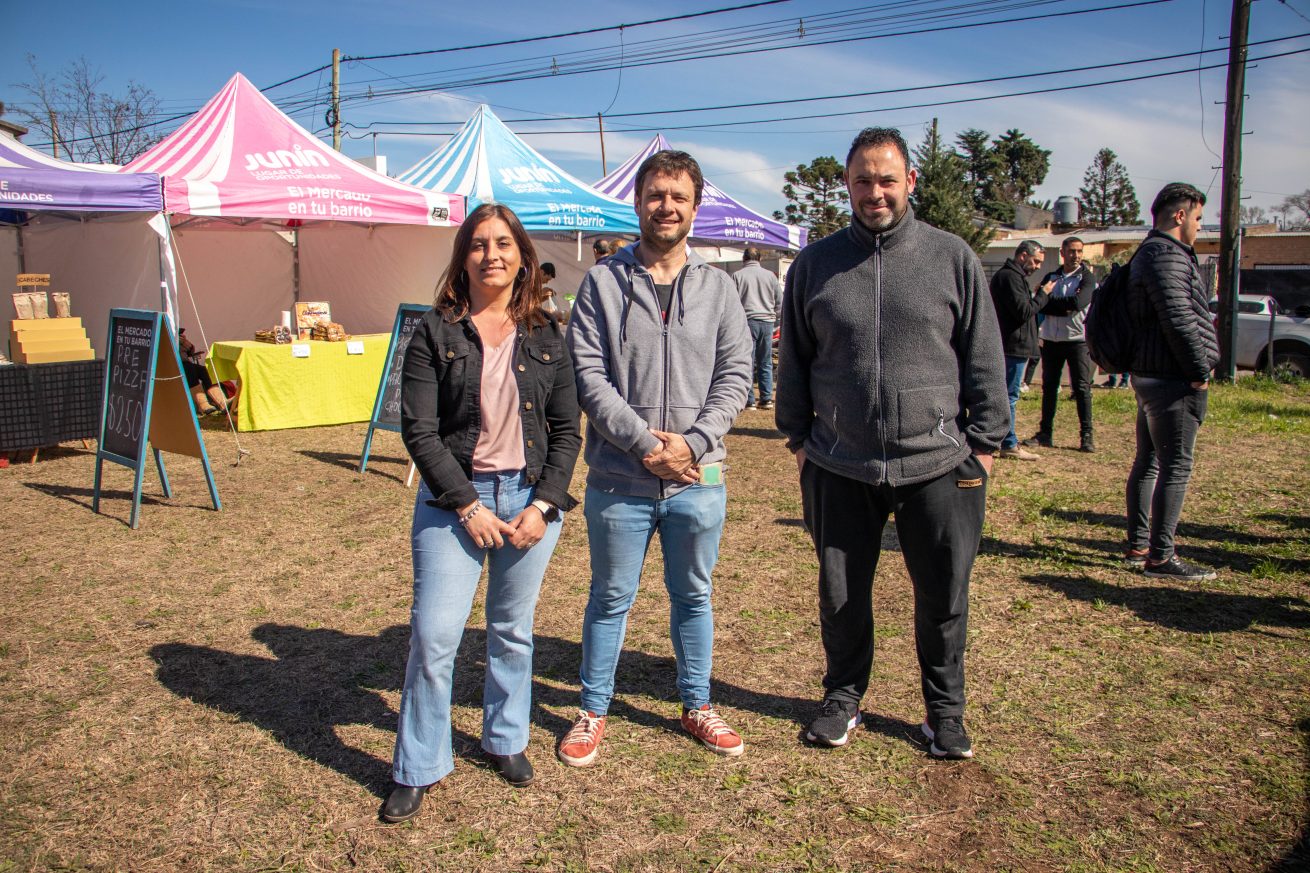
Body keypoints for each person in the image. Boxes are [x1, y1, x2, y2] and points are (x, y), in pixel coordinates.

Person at [776, 127, 1008, 759]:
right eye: (861, 180)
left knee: (943, 595)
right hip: (837, 461)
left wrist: (982, 448)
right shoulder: (815, 264)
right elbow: (793, 360)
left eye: (886, 179)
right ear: (846, 185)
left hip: (938, 462)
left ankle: (944, 712)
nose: (873, 191)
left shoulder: (951, 256)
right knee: (842, 595)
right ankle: (843, 697)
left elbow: (983, 355)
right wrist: (799, 437)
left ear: (910, 182)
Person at [383, 203, 582, 823]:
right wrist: (467, 505)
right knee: (435, 635)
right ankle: (418, 765)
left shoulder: (550, 334)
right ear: (462, 257)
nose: (490, 254)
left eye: (503, 243)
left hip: (528, 499)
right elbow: (419, 430)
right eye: (477, 244)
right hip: (454, 502)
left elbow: (567, 431)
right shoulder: (434, 333)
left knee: (512, 630)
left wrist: (545, 504)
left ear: (522, 255)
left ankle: (506, 738)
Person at [560, 149, 752, 766]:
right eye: (655, 195)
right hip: (619, 477)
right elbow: (587, 376)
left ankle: (697, 703)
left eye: (678, 197)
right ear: (637, 201)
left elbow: (736, 374)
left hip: (700, 477)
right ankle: (592, 709)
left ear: (695, 208)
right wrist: (646, 444)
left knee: (693, 594)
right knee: (610, 598)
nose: (665, 206)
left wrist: (692, 444)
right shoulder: (601, 283)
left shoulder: (719, 288)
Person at [1123, 182, 1219, 581]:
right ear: (1180, 215)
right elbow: (1180, 320)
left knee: (1149, 461)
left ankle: (1139, 545)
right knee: (1174, 466)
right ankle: (1160, 556)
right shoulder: (1166, 256)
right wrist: (1198, 373)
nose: (1199, 226)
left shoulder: (1154, 253)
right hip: (1170, 379)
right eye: (1197, 218)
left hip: (1152, 374)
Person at [1024, 237, 1098, 452]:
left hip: (1077, 341)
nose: (1076, 256)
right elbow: (1039, 303)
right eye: (1072, 251)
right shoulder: (1052, 276)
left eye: (1079, 251)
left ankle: (1086, 435)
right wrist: (1054, 305)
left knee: (1082, 388)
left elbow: (1076, 304)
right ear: (1063, 253)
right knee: (1049, 387)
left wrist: (1049, 302)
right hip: (1051, 340)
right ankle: (1045, 432)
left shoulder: (1087, 278)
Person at [989, 240, 1051, 461]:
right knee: (1009, 397)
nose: (1037, 267)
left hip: (1015, 345)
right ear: (1023, 256)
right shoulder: (1009, 278)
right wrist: (1043, 295)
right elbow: (1023, 311)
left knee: (1007, 395)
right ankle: (1008, 443)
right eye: (1036, 261)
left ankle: (1002, 440)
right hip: (1012, 346)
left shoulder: (1014, 278)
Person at [733, 246, 784, 410]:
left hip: (747, 322)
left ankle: (749, 400)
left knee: (747, 362)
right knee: (766, 362)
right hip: (767, 323)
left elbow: (731, 303)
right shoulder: (770, 276)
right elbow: (780, 302)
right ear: (760, 259)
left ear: (744, 259)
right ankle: (767, 398)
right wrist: (776, 319)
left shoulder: (737, 276)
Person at [177, 328, 233, 416]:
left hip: (186, 364)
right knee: (190, 369)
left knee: (204, 370)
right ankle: (202, 405)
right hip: (175, 366)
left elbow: (191, 351)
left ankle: (223, 402)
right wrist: (175, 343)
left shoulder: (181, 340)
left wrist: (185, 343)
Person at [539, 262, 572, 326]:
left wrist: (544, 297)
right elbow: (527, 302)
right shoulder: (530, 281)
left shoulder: (537, 284)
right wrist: (541, 294)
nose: (546, 282)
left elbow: (535, 302)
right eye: (547, 279)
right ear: (542, 272)